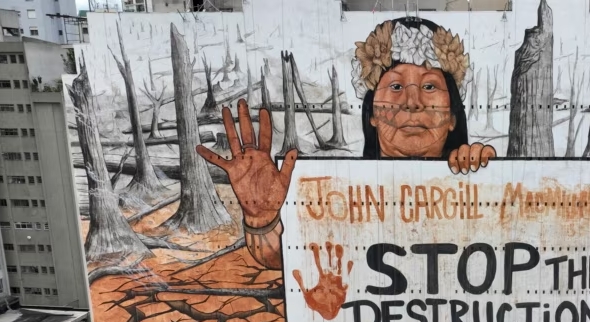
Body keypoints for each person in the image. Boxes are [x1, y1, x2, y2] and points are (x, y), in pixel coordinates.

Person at [197, 17, 497, 280]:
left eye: (430, 86)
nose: (412, 101)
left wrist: (488, 179)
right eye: (395, 87)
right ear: (372, 116)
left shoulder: (482, 183)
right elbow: (279, 259)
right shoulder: (340, 195)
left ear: (453, 117)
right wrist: (261, 218)